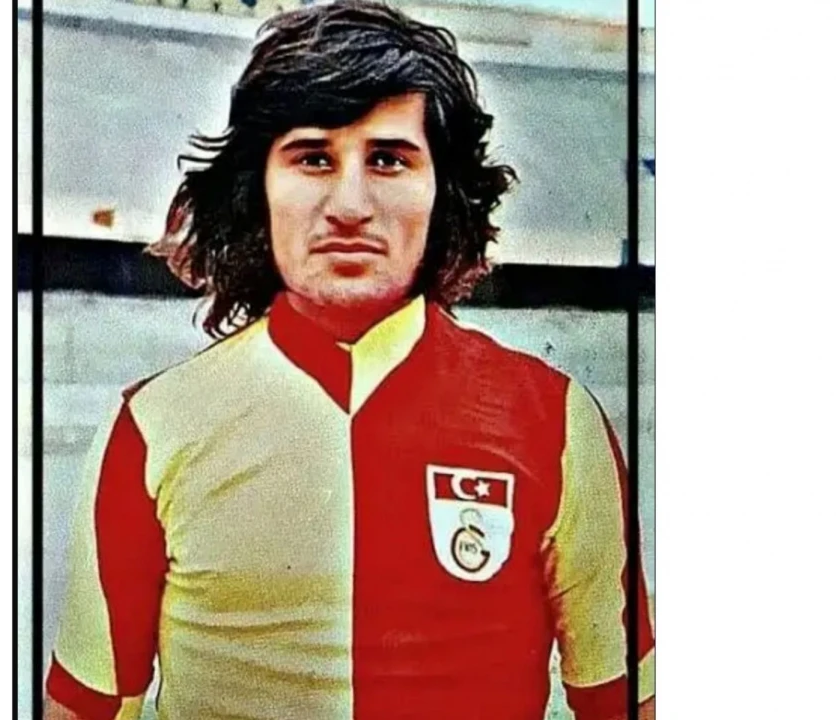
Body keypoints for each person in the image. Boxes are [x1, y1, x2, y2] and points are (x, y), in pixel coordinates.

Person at [45, 2, 654, 719]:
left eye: (389, 159)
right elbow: (87, 706)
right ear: (257, 188)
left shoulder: (554, 420)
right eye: (313, 158)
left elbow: (625, 700)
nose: (350, 205)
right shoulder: (154, 426)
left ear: (444, 192)